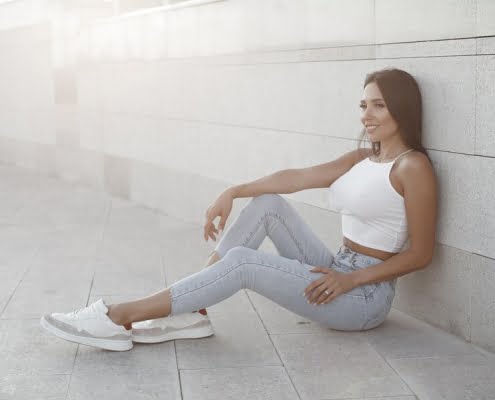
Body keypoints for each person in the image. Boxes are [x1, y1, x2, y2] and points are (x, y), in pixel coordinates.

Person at [40, 68, 438, 351]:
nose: (366, 115)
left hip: (364, 298)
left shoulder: (412, 166)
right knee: (268, 204)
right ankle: (193, 309)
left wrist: (352, 281)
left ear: (401, 109)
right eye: (363, 105)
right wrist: (234, 190)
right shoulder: (360, 158)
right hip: (336, 268)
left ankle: (117, 316)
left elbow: (421, 254)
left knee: (244, 263)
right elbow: (296, 177)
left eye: (378, 106)